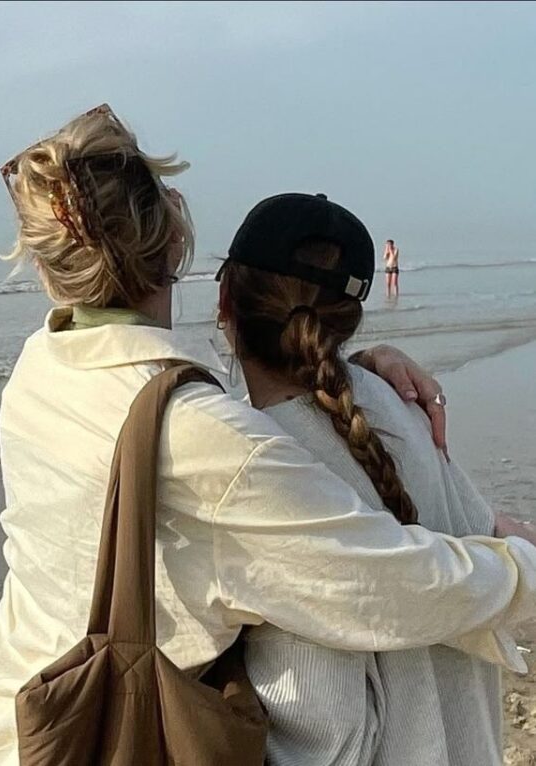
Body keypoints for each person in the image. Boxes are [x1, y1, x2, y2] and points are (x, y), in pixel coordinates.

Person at [0, 106, 536, 765]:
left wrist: (353, 376)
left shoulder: (39, 371)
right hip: (113, 737)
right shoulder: (217, 441)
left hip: (22, 720)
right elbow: (387, 586)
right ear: (174, 249)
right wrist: (522, 567)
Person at [215, 192, 536, 766]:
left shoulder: (252, 463)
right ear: (348, 319)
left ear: (224, 303)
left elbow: (325, 717)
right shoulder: (398, 402)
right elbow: (492, 529)